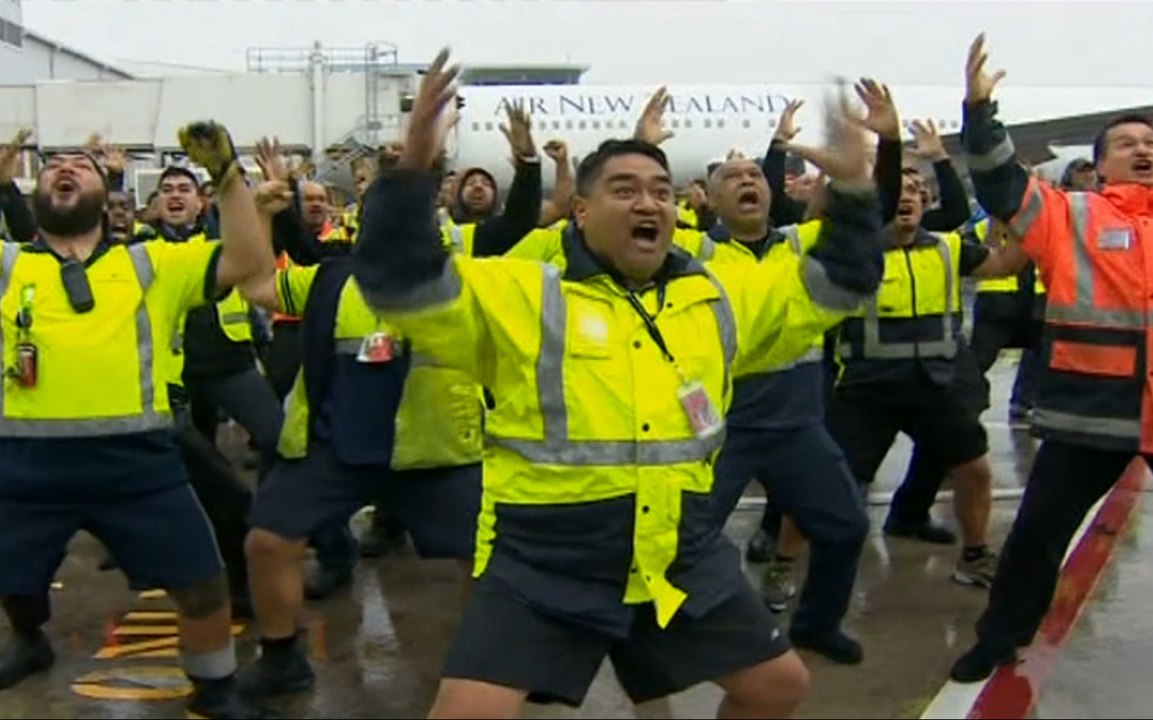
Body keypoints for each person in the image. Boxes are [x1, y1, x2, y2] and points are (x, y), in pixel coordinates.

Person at [352, 49, 885, 719]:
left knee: (779, 688)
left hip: (676, 553)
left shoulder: (717, 295)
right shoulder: (520, 294)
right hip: (543, 559)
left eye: (661, 191)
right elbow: (399, 286)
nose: (649, 203)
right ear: (579, 210)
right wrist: (410, 177)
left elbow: (836, 286)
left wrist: (858, 191)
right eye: (625, 189)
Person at [0, 123, 275, 719]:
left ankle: (216, 690)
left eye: (82, 165)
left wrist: (229, 178)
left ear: (112, 195)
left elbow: (248, 260)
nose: (65, 169)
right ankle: (29, 640)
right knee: (14, 584)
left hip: (138, 464)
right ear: (31, 190)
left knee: (202, 587)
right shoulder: (7, 266)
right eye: (51, 165)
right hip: (24, 467)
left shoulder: (152, 265)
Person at [950, 33, 1153, 681]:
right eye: (1126, 143)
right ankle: (997, 638)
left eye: (1150, 143)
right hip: (1086, 414)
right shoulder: (1068, 216)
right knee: (1037, 535)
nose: (1143, 149)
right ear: (1097, 165)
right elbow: (999, 182)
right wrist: (979, 113)